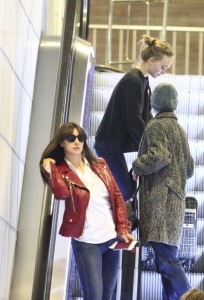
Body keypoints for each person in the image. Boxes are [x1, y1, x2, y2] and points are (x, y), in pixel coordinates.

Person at [39, 122, 134, 300]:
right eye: (71, 138)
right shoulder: (61, 170)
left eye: (80, 138)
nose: (77, 141)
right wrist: (50, 169)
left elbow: (117, 198)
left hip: (111, 240)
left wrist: (122, 228)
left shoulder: (100, 165)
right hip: (87, 243)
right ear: (61, 143)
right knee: (94, 297)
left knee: (107, 296)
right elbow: (61, 193)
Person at [132, 83, 195, 300]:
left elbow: (160, 156)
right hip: (175, 203)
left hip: (160, 202)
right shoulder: (179, 129)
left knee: (166, 262)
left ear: (154, 102)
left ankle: (194, 297)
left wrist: (137, 166)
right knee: (167, 261)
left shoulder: (155, 126)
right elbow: (189, 168)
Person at [94, 34, 175, 201]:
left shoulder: (143, 82)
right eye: (164, 66)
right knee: (125, 194)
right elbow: (134, 121)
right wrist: (149, 146)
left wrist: (156, 144)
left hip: (114, 146)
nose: (164, 72)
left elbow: (146, 119)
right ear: (153, 59)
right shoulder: (133, 81)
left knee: (129, 191)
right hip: (108, 147)